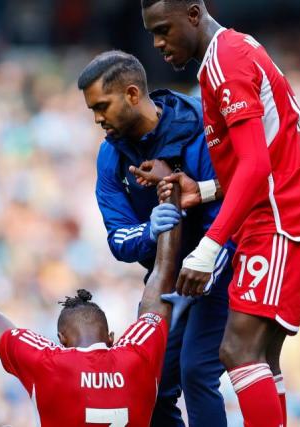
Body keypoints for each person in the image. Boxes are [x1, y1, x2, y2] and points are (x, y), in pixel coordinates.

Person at [142, 1, 300, 425]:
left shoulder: (225, 61)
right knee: (262, 357)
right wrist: (207, 189)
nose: (158, 43)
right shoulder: (233, 50)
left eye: (163, 29)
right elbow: (259, 156)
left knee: (237, 350)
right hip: (284, 211)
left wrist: (208, 247)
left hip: (283, 216)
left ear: (193, 15)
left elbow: (256, 166)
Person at [0, 187, 184, 427]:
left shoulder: (47, 362)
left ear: (61, 340)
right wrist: (170, 197)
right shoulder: (137, 355)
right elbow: (161, 278)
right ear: (110, 338)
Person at [78, 50, 232, 426]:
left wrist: (205, 260)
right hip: (169, 278)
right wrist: (151, 229)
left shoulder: (201, 126)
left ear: (132, 94)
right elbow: (119, 239)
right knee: (149, 386)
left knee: (197, 372)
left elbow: (233, 206)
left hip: (224, 265)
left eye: (102, 106)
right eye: (92, 110)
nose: (97, 118)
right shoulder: (110, 156)